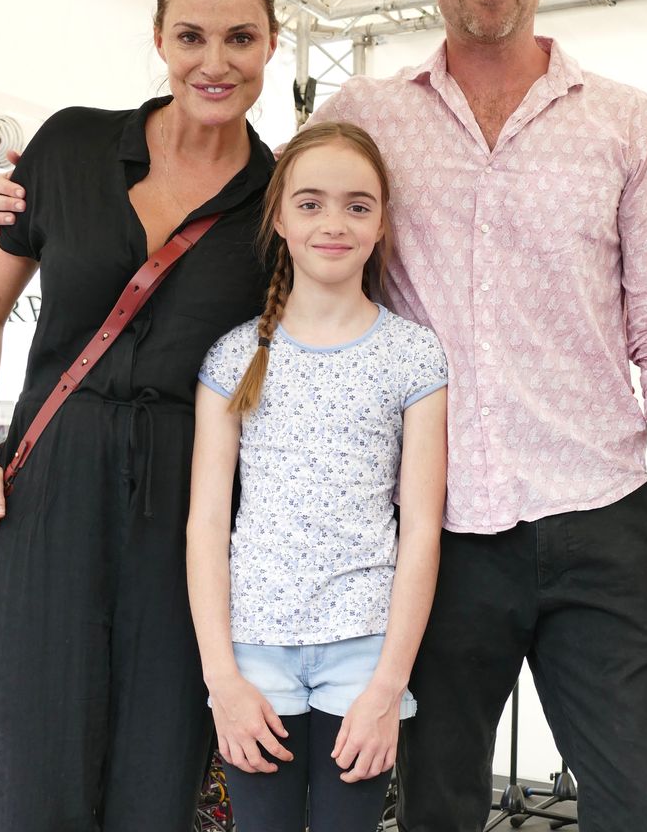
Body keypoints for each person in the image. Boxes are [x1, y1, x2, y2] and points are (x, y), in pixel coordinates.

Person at [0, 0, 647, 832]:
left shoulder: (630, 125)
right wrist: (18, 201)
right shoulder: (368, 114)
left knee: (642, 806)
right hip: (446, 537)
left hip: (596, 518)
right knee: (435, 811)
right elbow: (277, 214)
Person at [0, 0, 281, 831]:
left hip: (190, 508)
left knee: (155, 788)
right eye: (191, 36)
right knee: (29, 783)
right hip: (48, 491)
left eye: (240, 38)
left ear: (272, 44)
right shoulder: (68, 148)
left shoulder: (282, 198)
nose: (214, 62)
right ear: (160, 38)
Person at [186, 121, 448, 832]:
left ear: (381, 223)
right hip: (251, 655)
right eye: (310, 203)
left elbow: (422, 526)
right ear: (279, 217)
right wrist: (222, 681)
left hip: (365, 656)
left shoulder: (414, 357)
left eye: (357, 205)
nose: (333, 222)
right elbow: (206, 523)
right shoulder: (233, 355)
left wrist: (387, 686)